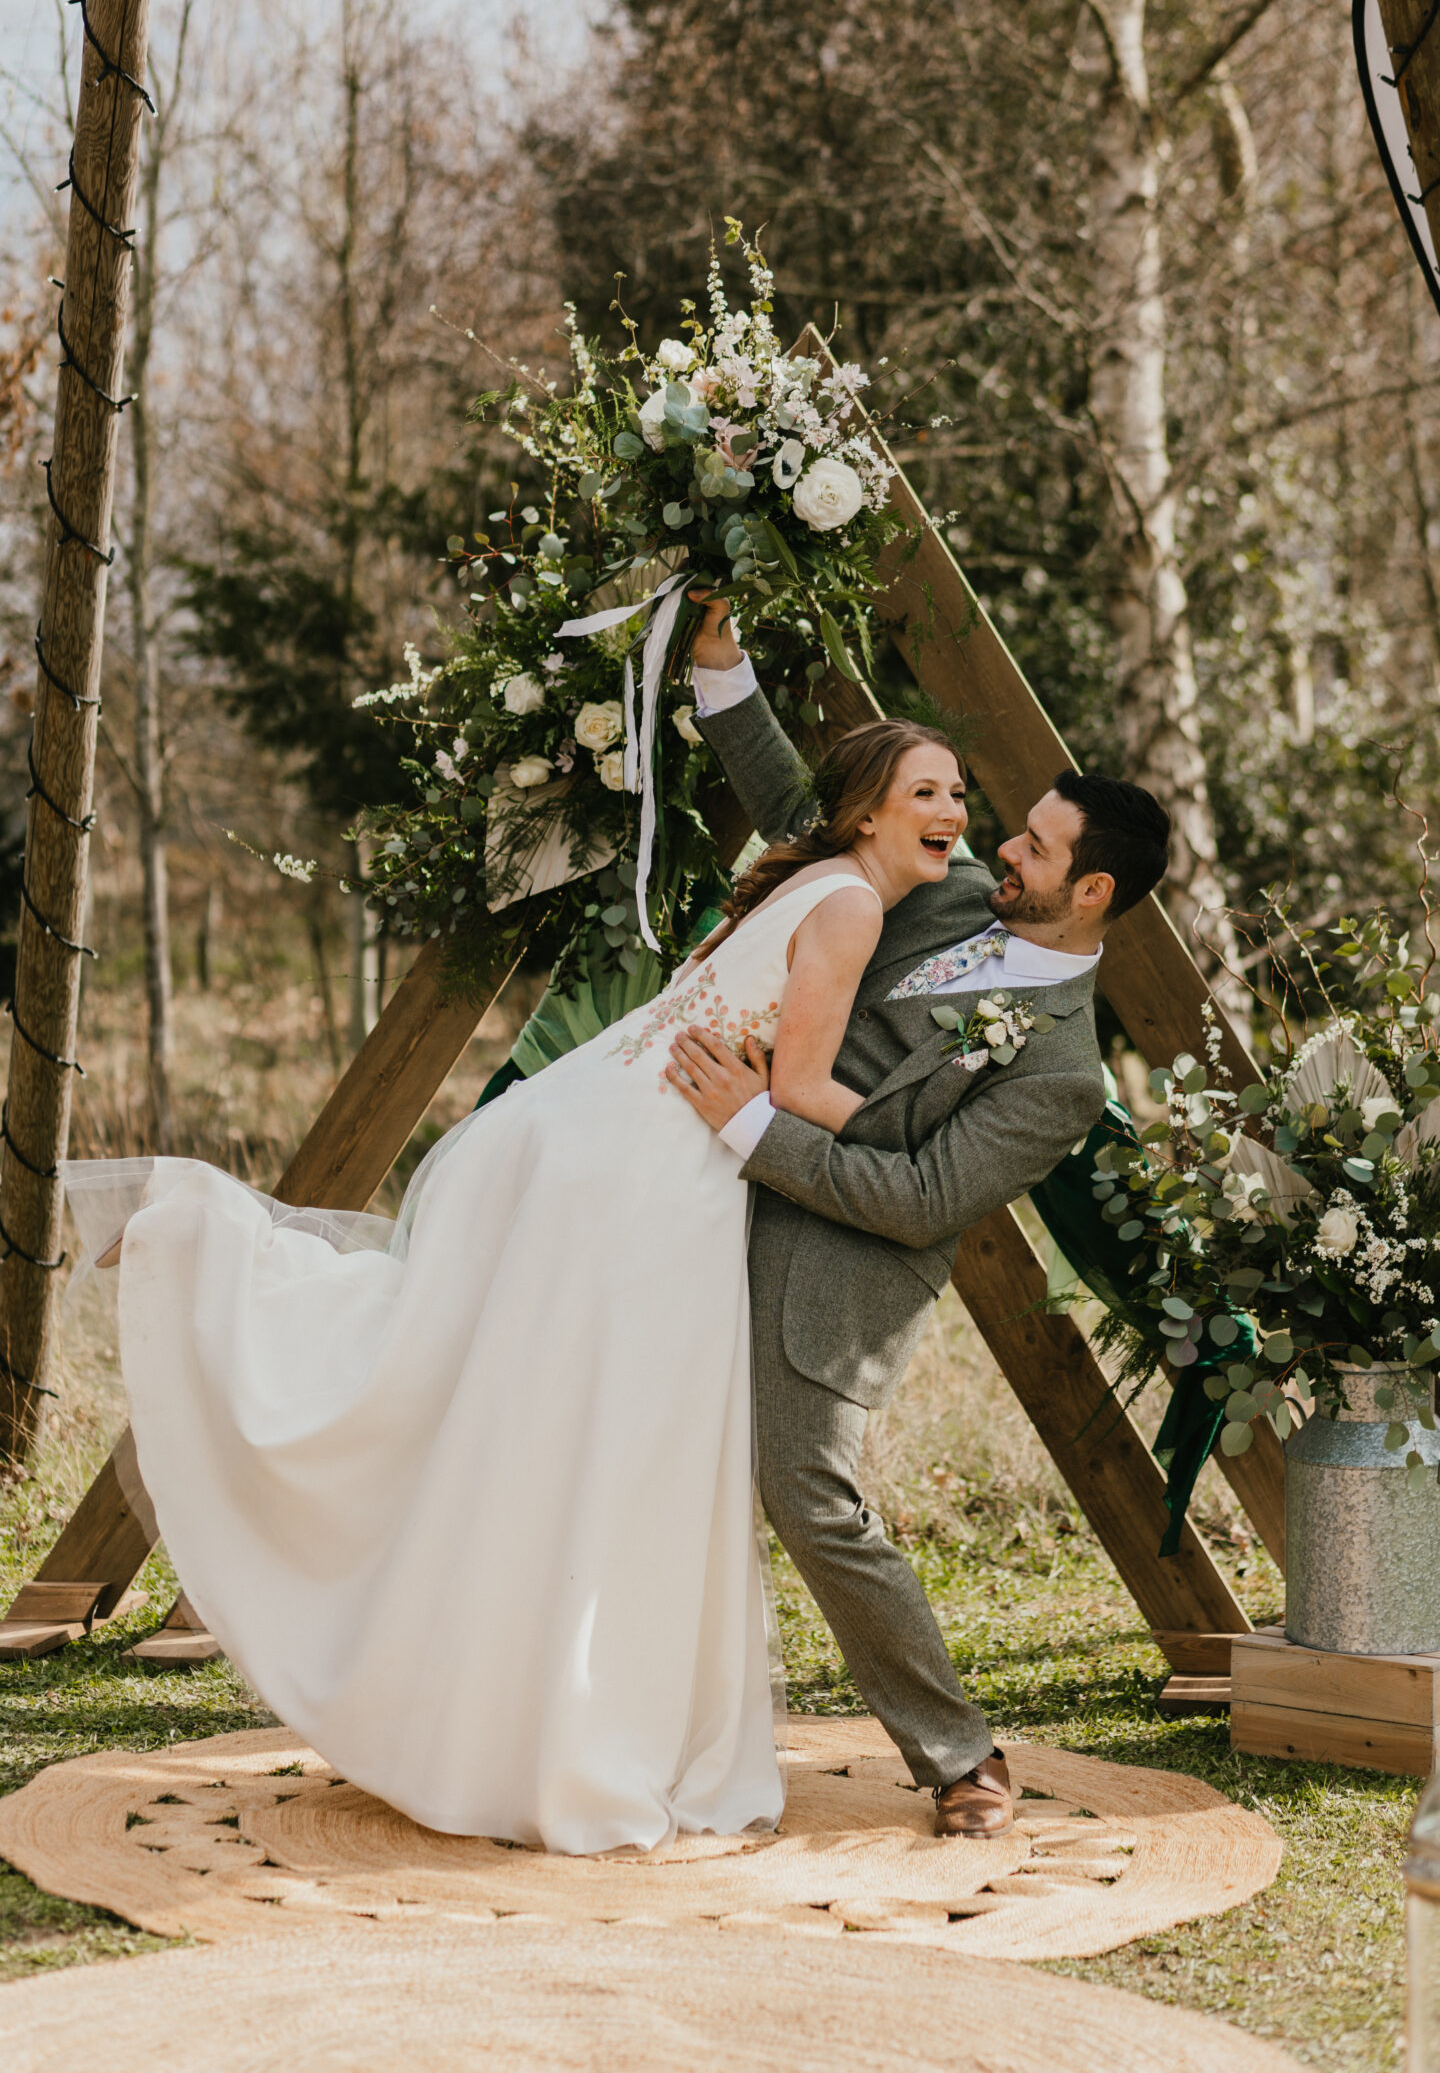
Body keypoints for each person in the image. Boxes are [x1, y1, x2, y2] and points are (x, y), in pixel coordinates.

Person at [64, 714, 968, 1858]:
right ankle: (575, 1727)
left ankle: (200, 1239)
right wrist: (921, 1142)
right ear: (867, 809)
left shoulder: (808, 887)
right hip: (650, 1185)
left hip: (592, 1142)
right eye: (928, 793)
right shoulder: (847, 906)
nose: (951, 814)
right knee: (619, 1451)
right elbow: (793, 1086)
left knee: (509, 1397)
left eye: (959, 796)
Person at [659, 593, 1171, 1839]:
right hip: (688, 1198)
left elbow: (921, 1201)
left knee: (807, 1493)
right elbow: (818, 819)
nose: (1003, 849)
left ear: (1091, 889)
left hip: (834, 1265)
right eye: (1015, 830)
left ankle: (960, 1755)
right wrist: (723, 673)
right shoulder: (938, 898)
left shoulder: (1060, 1072)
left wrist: (753, 1126)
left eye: (1038, 850)